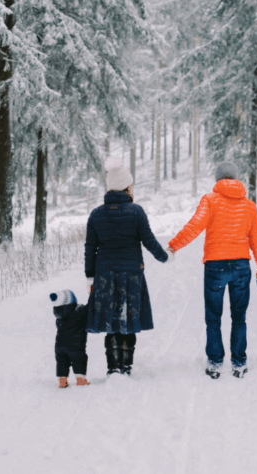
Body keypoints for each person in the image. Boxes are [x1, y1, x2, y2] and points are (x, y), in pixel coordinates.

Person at [168, 161, 257, 379]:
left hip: (215, 266)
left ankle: (215, 362)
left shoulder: (210, 200)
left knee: (213, 317)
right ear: (235, 177)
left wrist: (174, 245)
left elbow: (195, 225)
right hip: (242, 266)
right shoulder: (249, 206)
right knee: (239, 317)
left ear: (218, 179)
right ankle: (239, 362)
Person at [85, 156, 169, 376]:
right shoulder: (136, 211)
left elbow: (90, 248)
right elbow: (148, 240)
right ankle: (126, 365)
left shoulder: (96, 214)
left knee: (111, 321)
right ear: (126, 186)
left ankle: (113, 367)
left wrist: (90, 277)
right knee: (129, 320)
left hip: (104, 275)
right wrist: (165, 256)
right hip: (131, 274)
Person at [51, 290, 90, 388]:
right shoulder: (78, 311)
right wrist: (92, 293)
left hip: (59, 346)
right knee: (79, 359)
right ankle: (80, 380)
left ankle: (62, 381)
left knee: (62, 362)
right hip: (76, 345)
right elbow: (90, 307)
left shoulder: (58, 315)